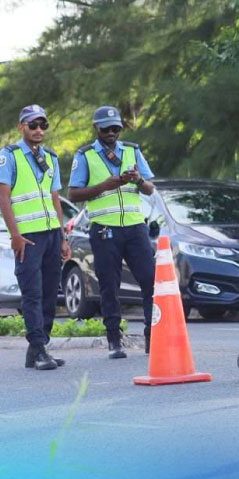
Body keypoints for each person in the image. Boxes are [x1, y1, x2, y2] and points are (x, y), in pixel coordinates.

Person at [67, 106, 157, 358]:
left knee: (150, 281)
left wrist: (138, 180)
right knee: (109, 285)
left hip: (135, 227)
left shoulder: (132, 150)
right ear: (96, 128)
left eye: (115, 128)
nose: (111, 133)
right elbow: (73, 193)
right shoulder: (85, 155)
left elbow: (150, 188)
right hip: (105, 229)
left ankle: (152, 336)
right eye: (106, 129)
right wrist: (103, 186)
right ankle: (114, 340)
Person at [0, 104, 71, 371]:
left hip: (51, 235)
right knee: (33, 294)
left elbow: (54, 198)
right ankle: (38, 348)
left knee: (50, 294)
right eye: (33, 125)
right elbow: (3, 198)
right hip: (27, 238)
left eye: (43, 125)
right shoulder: (9, 156)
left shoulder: (50, 157)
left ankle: (39, 348)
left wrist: (62, 237)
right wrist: (15, 235)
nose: (39, 130)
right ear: (21, 127)